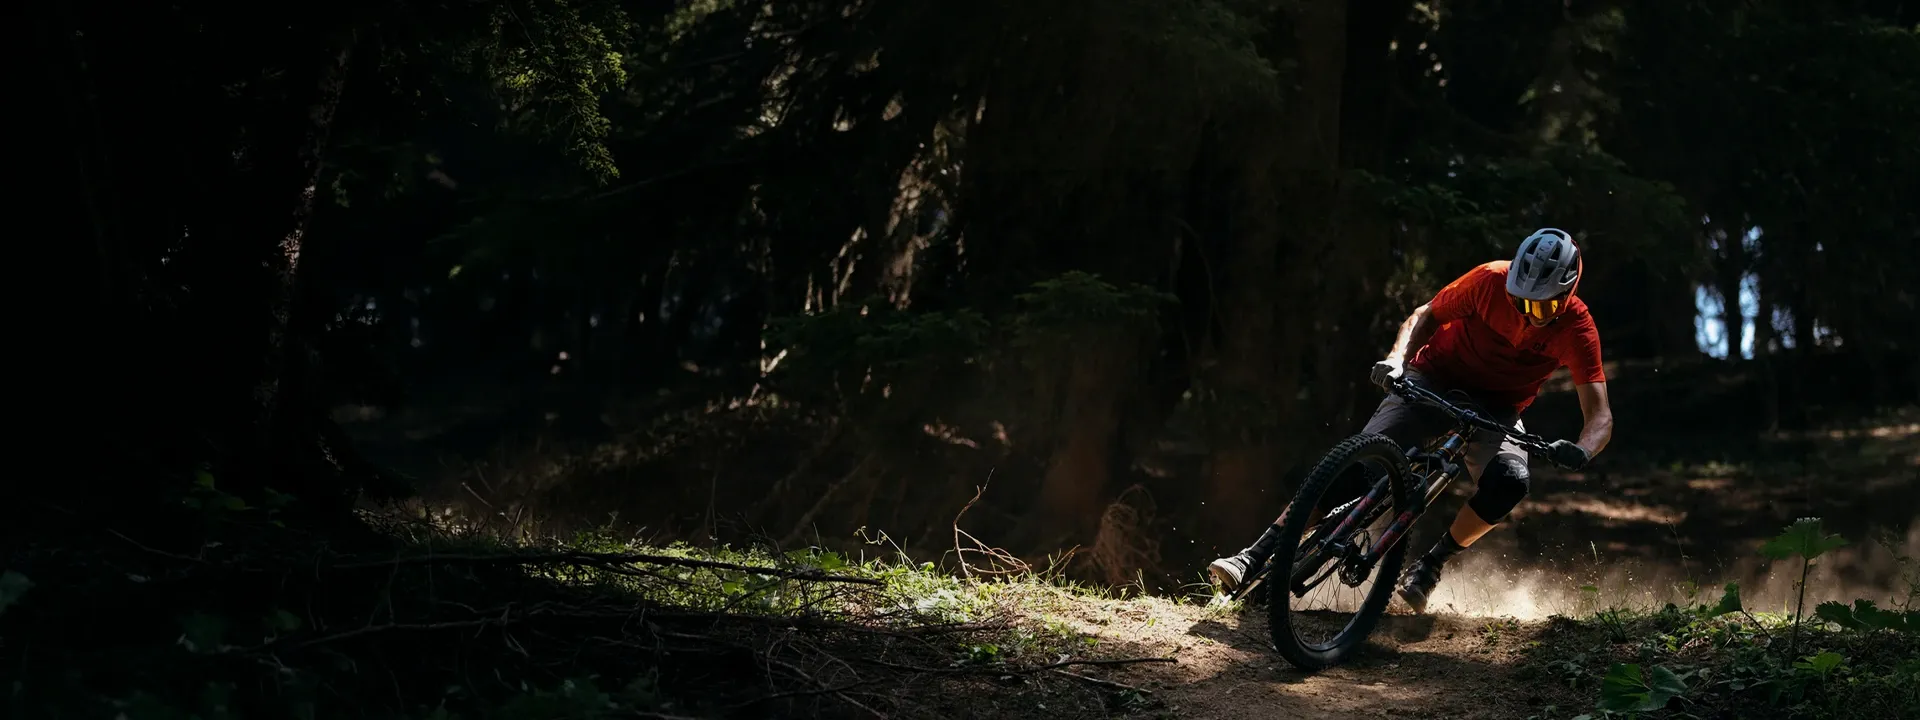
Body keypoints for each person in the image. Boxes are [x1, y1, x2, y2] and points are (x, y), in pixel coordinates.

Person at [1206, 228, 1615, 613]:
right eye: (1518, 299)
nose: (1526, 313)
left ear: (1566, 294)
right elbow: (1425, 315)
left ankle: (1432, 564)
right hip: (1434, 377)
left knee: (1510, 481)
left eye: (1540, 306)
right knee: (1358, 467)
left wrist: (1582, 450)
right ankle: (1254, 555)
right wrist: (1397, 360)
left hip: (1499, 408)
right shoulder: (1489, 279)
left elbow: (1600, 418)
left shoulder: (1579, 329)